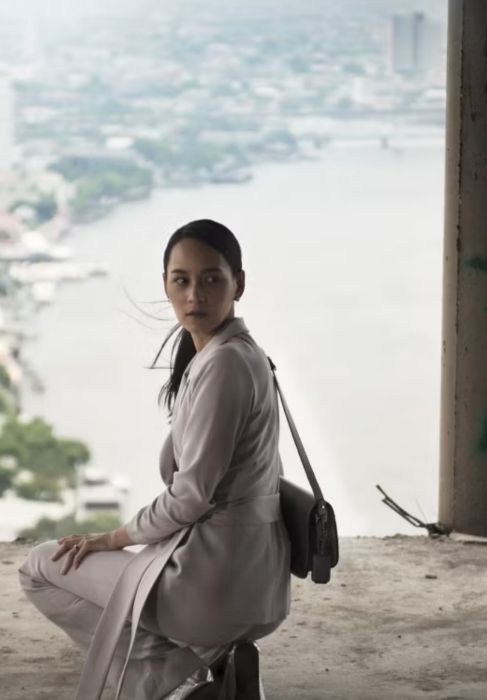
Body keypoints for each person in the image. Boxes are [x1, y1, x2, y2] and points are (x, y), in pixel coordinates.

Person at [17, 219, 291, 699]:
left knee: (42, 566)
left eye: (212, 279)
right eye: (181, 280)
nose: (195, 295)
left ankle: (173, 677)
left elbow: (189, 499)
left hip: (215, 589)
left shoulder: (224, 365)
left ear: (238, 284)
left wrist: (111, 539)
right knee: (109, 569)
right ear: (165, 285)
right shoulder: (241, 355)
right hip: (257, 582)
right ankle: (201, 675)